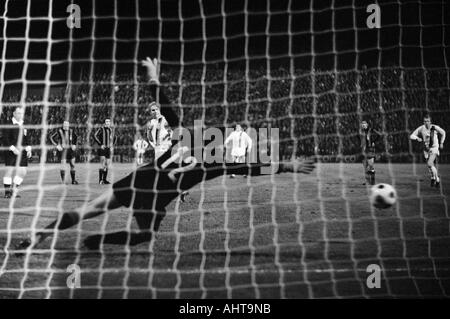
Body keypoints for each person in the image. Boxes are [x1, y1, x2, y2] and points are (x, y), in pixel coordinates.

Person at [14, 58, 315, 252]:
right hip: (157, 200)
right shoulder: (215, 162)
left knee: (85, 212)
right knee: (144, 237)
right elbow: (250, 167)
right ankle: (98, 240)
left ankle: (40, 235)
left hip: (137, 182)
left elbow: (165, 103)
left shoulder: (183, 135)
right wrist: (287, 164)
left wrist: (153, 76)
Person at [2, 107, 32, 198]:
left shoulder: (24, 124)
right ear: (14, 114)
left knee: (23, 171)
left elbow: (27, 138)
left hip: (22, 152)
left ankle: (13, 190)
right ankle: (7, 193)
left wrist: (29, 149)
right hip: (11, 152)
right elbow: (5, 139)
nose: (20, 115)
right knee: (9, 171)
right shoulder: (8, 124)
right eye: (18, 113)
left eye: (21, 113)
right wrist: (13, 149)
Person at [410, 114, 446, 188]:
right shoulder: (421, 128)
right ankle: (433, 178)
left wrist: (442, 142)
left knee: (430, 163)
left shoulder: (434, 127)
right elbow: (411, 135)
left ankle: (437, 180)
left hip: (434, 148)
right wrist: (417, 138)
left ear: (430, 121)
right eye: (425, 121)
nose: (426, 122)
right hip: (426, 149)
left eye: (428, 121)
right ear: (423, 122)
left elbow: (443, 133)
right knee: (429, 166)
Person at [359, 120, 383, 185]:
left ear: (367, 124)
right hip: (363, 150)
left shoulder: (371, 130)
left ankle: (372, 181)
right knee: (365, 166)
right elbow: (359, 139)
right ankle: (367, 181)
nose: (363, 125)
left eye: (364, 123)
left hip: (370, 150)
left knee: (371, 165)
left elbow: (379, 135)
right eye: (362, 124)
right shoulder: (360, 131)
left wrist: (373, 141)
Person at [94, 118, 115, 184]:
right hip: (102, 149)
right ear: (104, 123)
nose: (108, 123)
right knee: (102, 164)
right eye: (106, 122)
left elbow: (114, 138)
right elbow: (95, 136)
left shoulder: (110, 130)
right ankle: (100, 180)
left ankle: (105, 180)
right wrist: (100, 144)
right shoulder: (101, 129)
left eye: (109, 122)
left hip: (108, 149)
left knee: (107, 165)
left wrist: (112, 145)